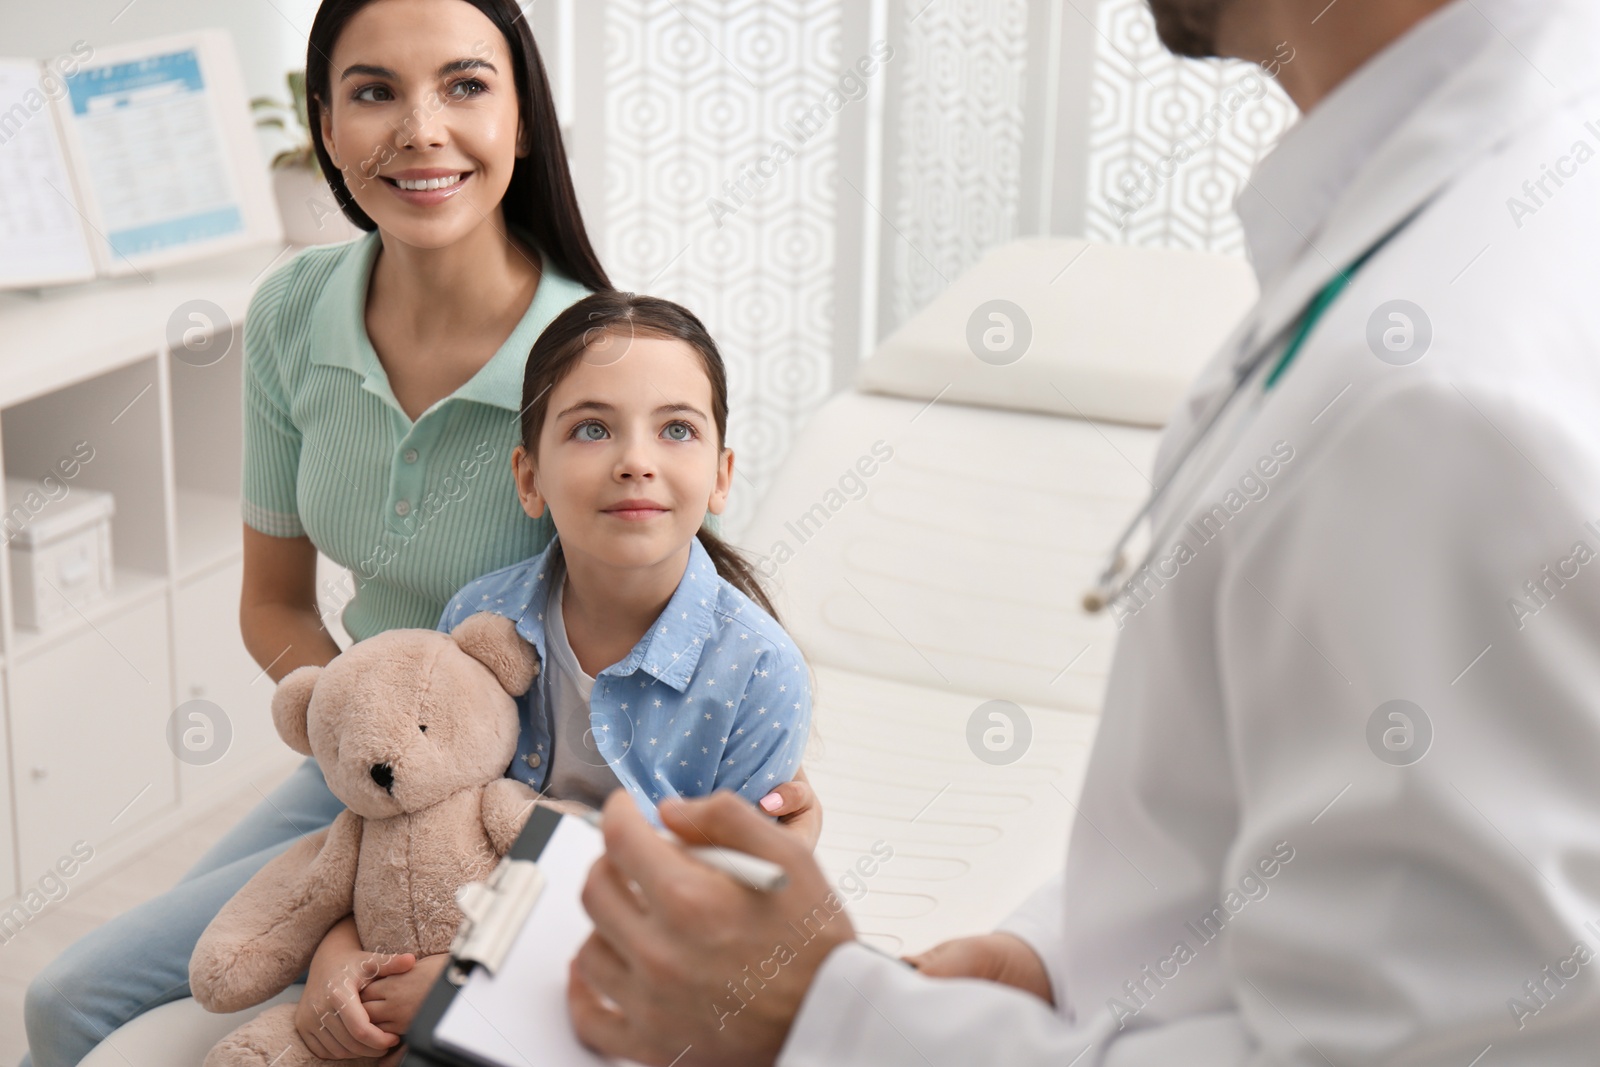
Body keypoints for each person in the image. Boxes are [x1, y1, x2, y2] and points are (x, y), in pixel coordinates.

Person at [568, 0, 1600, 1063]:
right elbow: (1308, 828)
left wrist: (830, 1021)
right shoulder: (1423, 239)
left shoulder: (1438, 395)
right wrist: (1053, 964)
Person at [19, 2, 814, 1064]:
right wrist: (372, 738)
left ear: (522, 118)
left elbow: (679, 631)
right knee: (66, 999)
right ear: (325, 126)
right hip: (373, 768)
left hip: (532, 812)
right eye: (374, 91)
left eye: (465, 85)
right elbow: (275, 604)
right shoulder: (291, 313)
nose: (421, 129)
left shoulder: (595, 379)